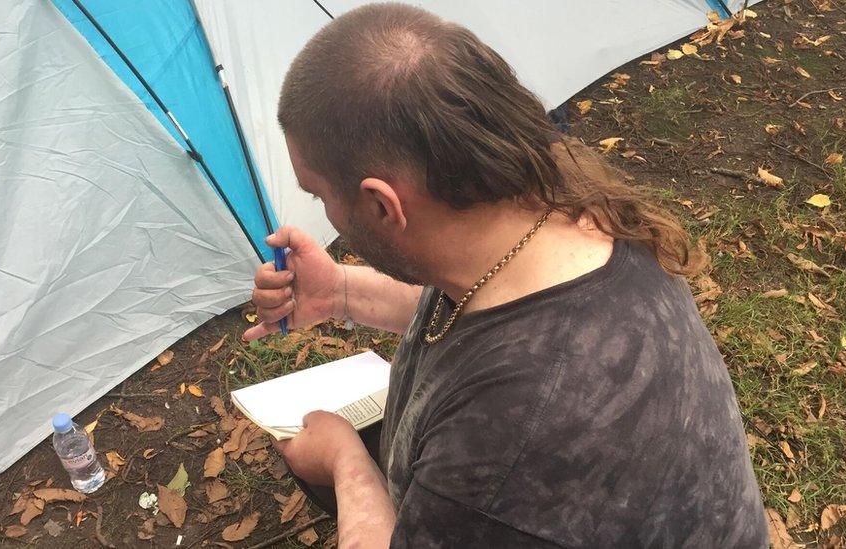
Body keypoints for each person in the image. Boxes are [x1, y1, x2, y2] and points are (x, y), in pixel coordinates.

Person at [242, 3, 768, 547]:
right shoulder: (554, 206)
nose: (322, 211)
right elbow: (476, 309)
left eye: (320, 194)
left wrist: (344, 460)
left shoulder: (511, 439)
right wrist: (341, 291)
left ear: (382, 205)